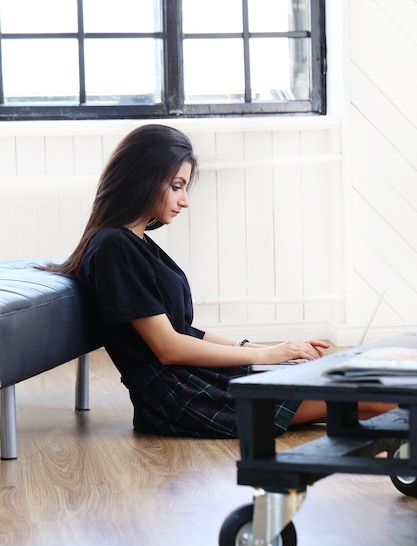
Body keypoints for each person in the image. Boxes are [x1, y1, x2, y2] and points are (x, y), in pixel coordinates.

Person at [39, 124, 394, 437]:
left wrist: (257, 349)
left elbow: (184, 331)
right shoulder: (114, 247)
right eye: (177, 186)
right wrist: (268, 355)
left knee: (362, 395)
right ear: (143, 178)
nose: (185, 201)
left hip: (191, 380)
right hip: (182, 395)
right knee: (372, 399)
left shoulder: (135, 244)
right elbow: (168, 348)